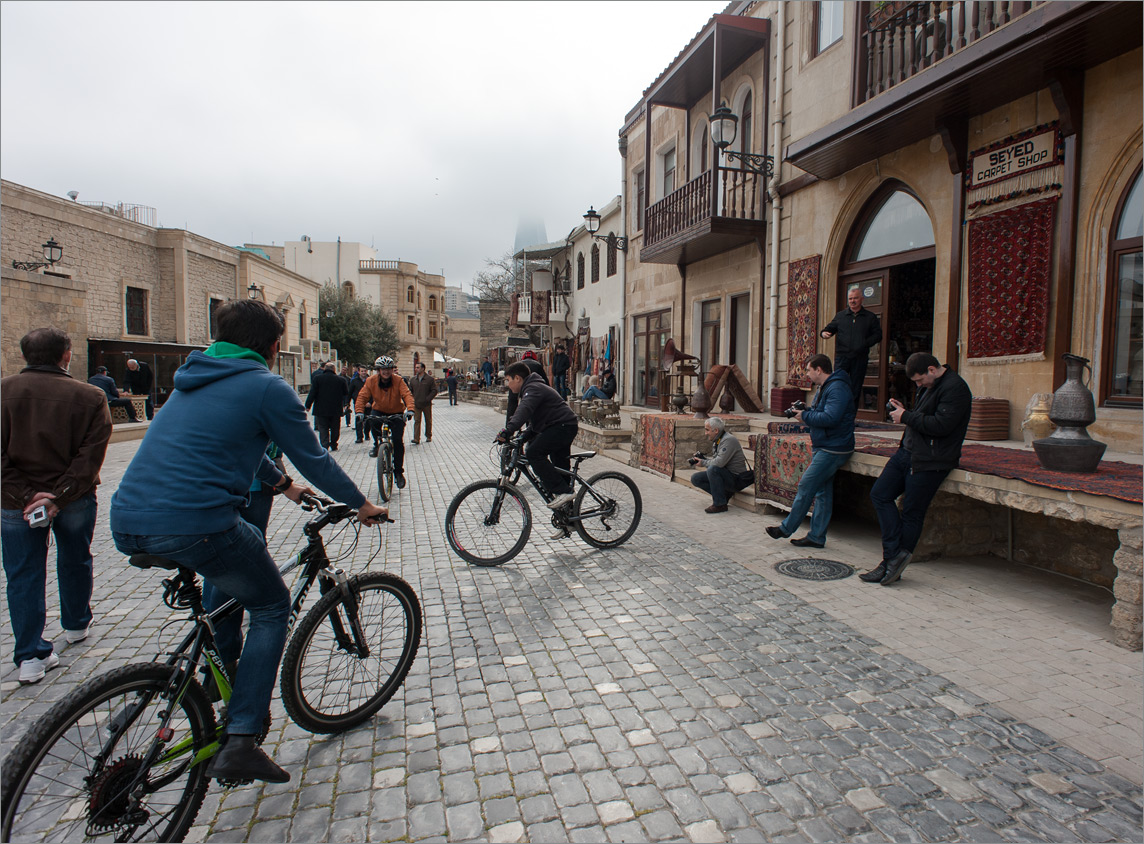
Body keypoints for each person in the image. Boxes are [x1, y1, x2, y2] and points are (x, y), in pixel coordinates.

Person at [110, 299, 387, 784]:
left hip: (129, 517)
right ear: (275, 346)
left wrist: (283, 486)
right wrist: (362, 503)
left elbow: (237, 442)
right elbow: (316, 459)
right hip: (197, 521)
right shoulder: (265, 386)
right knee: (271, 604)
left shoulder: (193, 378)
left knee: (232, 573)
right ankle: (240, 738)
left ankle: (208, 675)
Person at [2, 328, 113, 685]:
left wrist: (26, 496)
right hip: (74, 497)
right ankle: (77, 622)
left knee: (23, 573)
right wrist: (58, 496)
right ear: (66, 356)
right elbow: (90, 457)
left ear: (25, 357)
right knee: (76, 556)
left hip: (14, 502)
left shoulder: (3, 392)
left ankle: (31, 654)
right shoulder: (90, 396)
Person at [862, 352, 972, 586]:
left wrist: (906, 416)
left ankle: (890, 564)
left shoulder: (955, 388)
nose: (918, 385)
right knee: (880, 494)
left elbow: (942, 425)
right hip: (908, 452)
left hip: (931, 460)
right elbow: (923, 416)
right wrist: (906, 411)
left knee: (912, 511)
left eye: (920, 380)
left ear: (932, 369)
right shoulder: (929, 386)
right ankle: (893, 556)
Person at [764, 354, 856, 548]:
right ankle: (816, 537)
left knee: (806, 485)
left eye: (808, 370)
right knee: (822, 492)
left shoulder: (837, 387)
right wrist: (805, 410)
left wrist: (805, 416)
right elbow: (824, 413)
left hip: (833, 448)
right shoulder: (828, 387)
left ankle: (786, 529)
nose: (807, 374)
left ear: (819, 370)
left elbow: (831, 418)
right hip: (826, 444)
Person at [498, 361, 579, 536]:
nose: (507, 384)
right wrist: (521, 437)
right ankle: (569, 522)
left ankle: (564, 492)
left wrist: (508, 429)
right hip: (560, 426)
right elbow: (535, 425)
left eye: (508, 380)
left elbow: (523, 411)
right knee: (562, 472)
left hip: (563, 426)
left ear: (517, 378)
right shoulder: (531, 388)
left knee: (534, 453)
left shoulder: (533, 388)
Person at [355, 355, 415, 489]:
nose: (386, 372)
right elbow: (362, 396)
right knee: (372, 421)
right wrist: (359, 411)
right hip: (379, 409)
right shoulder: (371, 381)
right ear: (378, 370)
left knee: (398, 441)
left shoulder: (398, 380)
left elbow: (407, 395)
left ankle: (398, 472)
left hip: (396, 412)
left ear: (392, 370)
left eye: (388, 369)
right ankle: (377, 444)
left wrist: (410, 409)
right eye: (383, 369)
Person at [820, 287, 882, 409]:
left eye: (855, 298)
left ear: (862, 299)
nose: (852, 301)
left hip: (860, 358)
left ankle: (850, 415)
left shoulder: (870, 317)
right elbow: (828, 329)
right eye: (850, 299)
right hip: (842, 358)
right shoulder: (841, 316)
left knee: (855, 387)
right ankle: (835, 411)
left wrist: (864, 343)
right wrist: (824, 334)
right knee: (837, 384)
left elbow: (878, 335)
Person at [689, 417, 754, 514]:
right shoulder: (718, 440)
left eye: (707, 430)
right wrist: (703, 459)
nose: (705, 433)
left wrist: (703, 462)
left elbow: (719, 463)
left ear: (716, 430)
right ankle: (723, 496)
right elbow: (717, 461)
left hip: (737, 479)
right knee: (696, 478)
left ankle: (720, 504)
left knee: (712, 469)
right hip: (726, 475)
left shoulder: (728, 440)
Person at [304, 361, 348, 451]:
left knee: (323, 427)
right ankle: (334, 444)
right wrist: (346, 404)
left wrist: (308, 405)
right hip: (335, 409)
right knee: (335, 427)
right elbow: (346, 393)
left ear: (324, 369)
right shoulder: (341, 380)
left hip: (321, 409)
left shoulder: (317, 379)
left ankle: (324, 444)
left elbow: (312, 393)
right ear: (334, 370)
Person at [505, 350, 548, 426]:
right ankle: (529, 426)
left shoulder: (517, 366)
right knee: (531, 406)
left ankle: (509, 427)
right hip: (534, 390)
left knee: (512, 404)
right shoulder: (537, 365)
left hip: (516, 384)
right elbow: (545, 382)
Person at [408, 362, 437, 444]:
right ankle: (416, 438)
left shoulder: (429, 379)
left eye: (418, 367)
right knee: (417, 421)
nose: (416, 369)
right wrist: (412, 400)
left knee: (428, 420)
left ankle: (428, 436)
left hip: (426, 404)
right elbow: (410, 391)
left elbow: (434, 390)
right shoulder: (413, 380)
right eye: (415, 367)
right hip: (416, 404)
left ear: (423, 368)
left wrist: (428, 399)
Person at [349, 365, 368, 442]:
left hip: (368, 404)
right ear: (359, 372)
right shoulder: (354, 381)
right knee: (359, 419)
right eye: (362, 371)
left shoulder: (370, 380)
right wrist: (347, 403)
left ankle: (366, 433)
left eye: (365, 371)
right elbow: (350, 392)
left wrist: (370, 402)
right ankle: (359, 437)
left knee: (368, 420)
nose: (363, 372)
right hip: (357, 403)